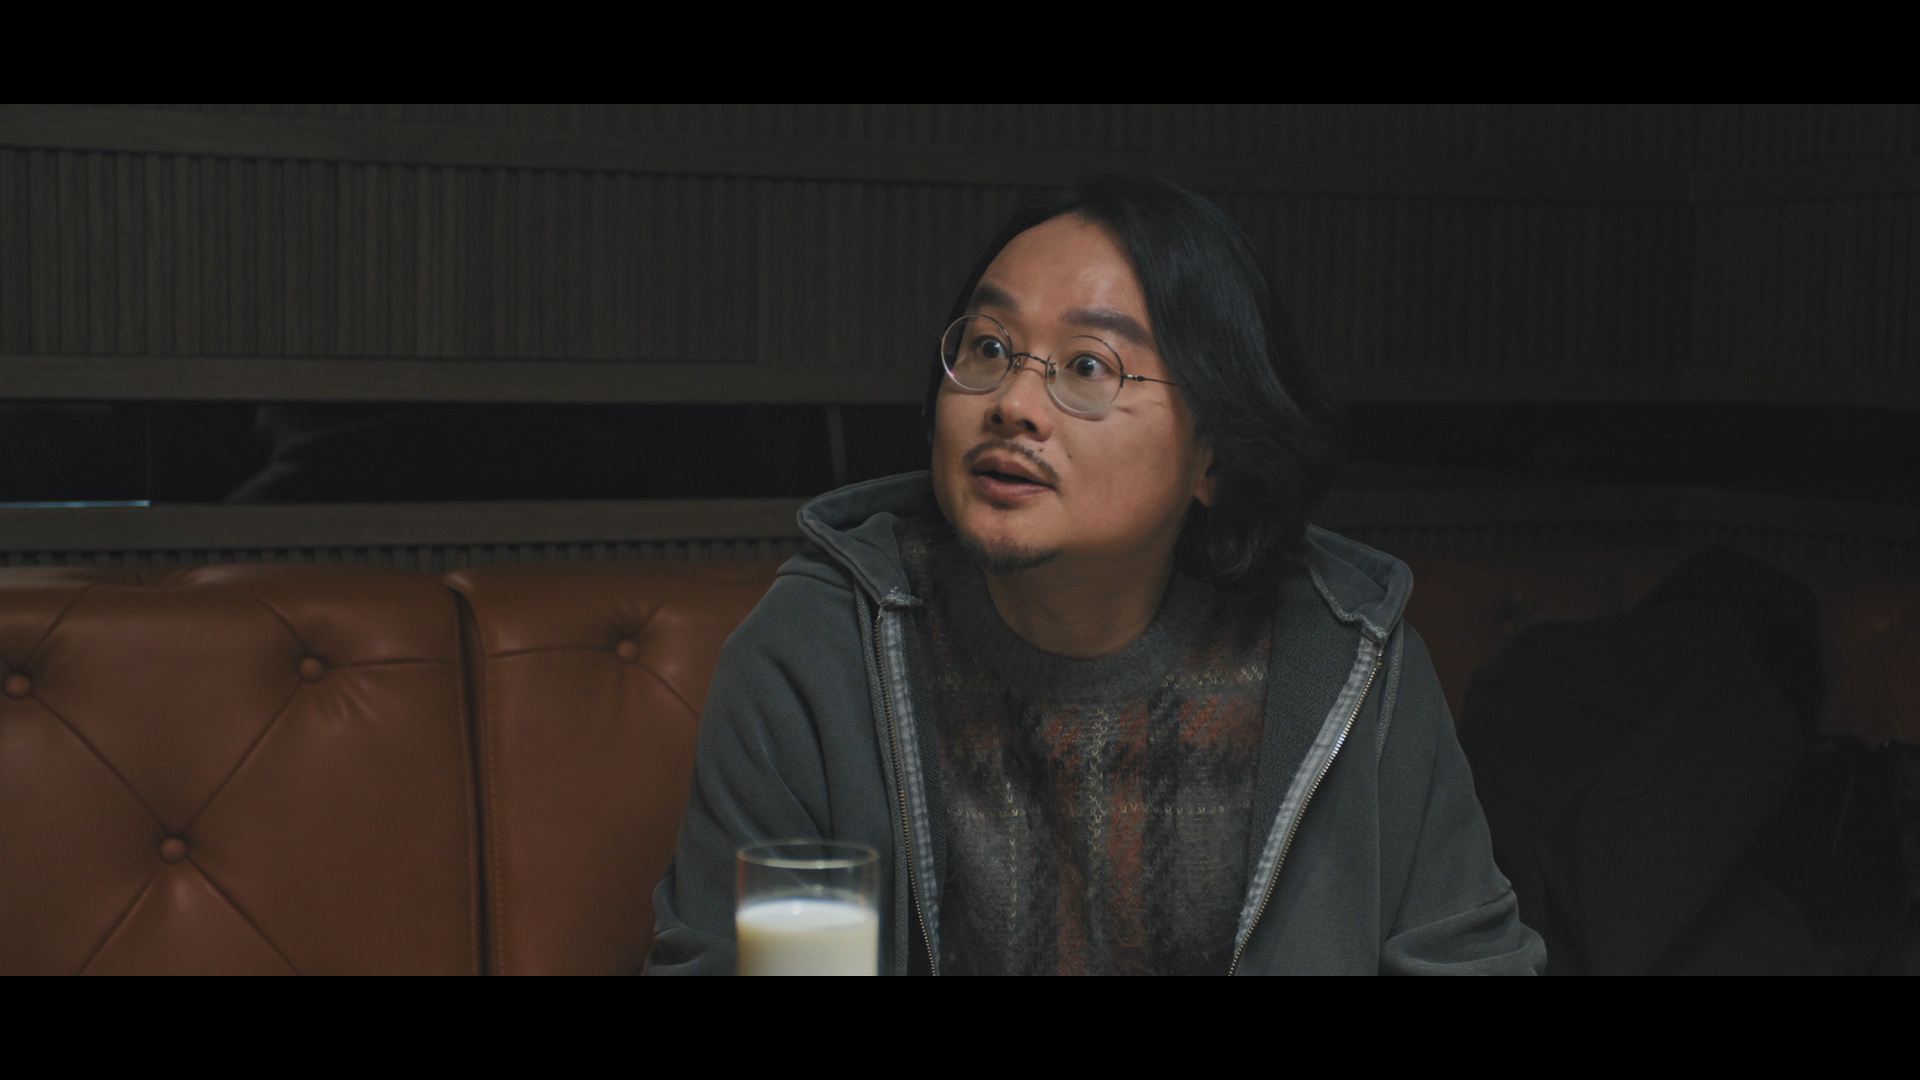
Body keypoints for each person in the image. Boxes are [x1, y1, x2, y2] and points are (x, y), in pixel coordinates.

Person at [647, 174, 1546, 975]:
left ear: (1215, 454)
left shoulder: (1345, 658)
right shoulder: (821, 648)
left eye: (1087, 366)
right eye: (989, 348)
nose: (1012, 403)